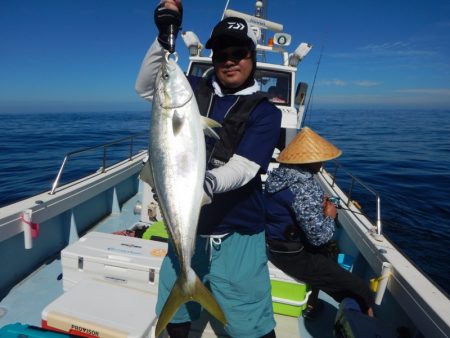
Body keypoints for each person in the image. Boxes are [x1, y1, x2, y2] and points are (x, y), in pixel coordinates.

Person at [135, 1, 282, 337]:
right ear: (212, 60)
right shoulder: (190, 91)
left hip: (237, 231)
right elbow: (146, 87)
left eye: (238, 53)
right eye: (220, 54)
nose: (229, 60)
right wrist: (163, 38)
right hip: (188, 229)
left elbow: (245, 168)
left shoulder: (265, 112)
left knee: (249, 320)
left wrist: (206, 183)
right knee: (175, 311)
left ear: (252, 58)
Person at [264, 127, 375, 319]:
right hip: (293, 256)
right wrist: (330, 214)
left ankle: (312, 305)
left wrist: (317, 206)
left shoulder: (280, 175)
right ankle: (365, 322)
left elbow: (293, 207)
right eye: (320, 159)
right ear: (309, 160)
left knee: (329, 259)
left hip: (276, 245)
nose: (323, 163)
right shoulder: (303, 187)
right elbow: (319, 238)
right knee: (361, 290)